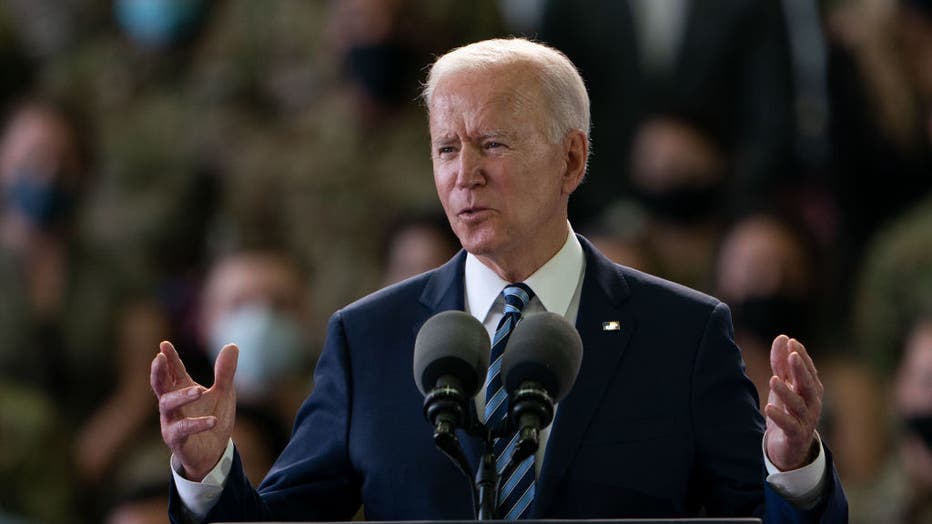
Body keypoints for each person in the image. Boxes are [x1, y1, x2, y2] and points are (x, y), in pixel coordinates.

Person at [152, 38, 847, 522]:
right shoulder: (369, 339)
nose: (464, 175)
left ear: (571, 160)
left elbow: (762, 520)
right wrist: (209, 477)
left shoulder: (684, 335)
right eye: (446, 148)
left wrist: (793, 470)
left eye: (491, 144)